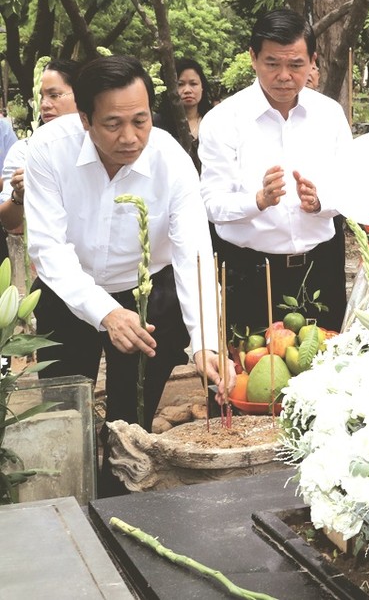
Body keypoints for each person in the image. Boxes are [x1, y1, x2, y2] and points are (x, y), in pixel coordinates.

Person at [24, 55, 230, 495]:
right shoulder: (48, 150)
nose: (130, 137)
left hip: (146, 294)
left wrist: (206, 342)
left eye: (141, 120)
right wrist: (106, 312)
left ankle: (118, 511)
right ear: (84, 119)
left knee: (130, 422)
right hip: (67, 292)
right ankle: (70, 505)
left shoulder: (171, 161)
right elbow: (49, 248)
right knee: (64, 416)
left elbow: (193, 251)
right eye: (113, 124)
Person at [199, 9, 353, 335]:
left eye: (296, 64)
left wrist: (321, 202)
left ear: (313, 60)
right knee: (249, 377)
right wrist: (257, 200)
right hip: (250, 274)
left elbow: (350, 187)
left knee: (326, 374)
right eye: (272, 63)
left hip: (319, 269)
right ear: (253, 58)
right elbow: (212, 204)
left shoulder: (329, 115)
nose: (284, 75)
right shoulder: (224, 120)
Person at [0, 59, 80, 235]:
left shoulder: (104, 148)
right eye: (40, 97)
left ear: (82, 95)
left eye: (54, 95)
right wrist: (19, 196)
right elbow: (10, 223)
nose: (44, 104)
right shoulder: (25, 150)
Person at [154, 58, 212, 171]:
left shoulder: (215, 120)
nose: (187, 90)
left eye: (193, 84)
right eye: (180, 84)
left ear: (202, 87)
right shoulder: (157, 124)